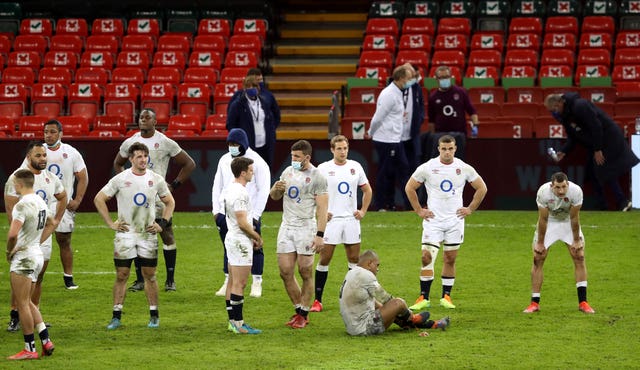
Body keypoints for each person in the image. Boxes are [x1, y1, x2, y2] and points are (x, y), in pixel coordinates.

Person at [95, 142, 175, 330]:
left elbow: (170, 202)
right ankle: (116, 316)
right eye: (139, 156)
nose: (143, 160)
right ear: (131, 159)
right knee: (122, 275)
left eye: (145, 156)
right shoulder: (120, 179)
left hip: (147, 235)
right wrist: (110, 223)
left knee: (150, 275)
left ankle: (154, 315)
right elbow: (99, 198)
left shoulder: (156, 179)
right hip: (125, 234)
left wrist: (162, 223)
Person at [113, 108, 195, 292]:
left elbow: (189, 163)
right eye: (141, 117)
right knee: (138, 235)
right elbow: (117, 163)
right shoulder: (131, 141)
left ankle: (170, 280)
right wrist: (124, 183)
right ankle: (140, 280)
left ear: (155, 121)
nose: (143, 119)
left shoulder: (164, 142)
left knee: (166, 234)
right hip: (135, 198)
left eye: (147, 117)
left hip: (157, 199)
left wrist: (173, 185)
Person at [405, 135, 487, 311]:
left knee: (450, 258)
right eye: (444, 149)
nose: (447, 152)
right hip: (433, 221)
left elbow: (482, 188)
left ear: (455, 149)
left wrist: (470, 208)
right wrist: (419, 210)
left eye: (450, 149)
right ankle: (423, 297)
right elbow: (409, 187)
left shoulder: (463, 168)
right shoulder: (428, 167)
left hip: (454, 221)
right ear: (438, 149)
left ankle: (446, 296)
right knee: (426, 257)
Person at [4, 142, 67, 333]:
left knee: (38, 277)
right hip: (24, 238)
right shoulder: (18, 178)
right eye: (38, 155)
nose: (42, 159)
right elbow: (10, 208)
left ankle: (35, 315)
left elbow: (63, 197)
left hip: (42, 237)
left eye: (44, 155)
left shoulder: (51, 178)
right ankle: (15, 316)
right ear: (29, 156)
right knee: (21, 277)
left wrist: (55, 220)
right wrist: (22, 237)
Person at [544, 93, 639, 211]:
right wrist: (564, 151)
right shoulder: (565, 116)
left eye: (555, 109)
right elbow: (573, 137)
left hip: (607, 138)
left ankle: (623, 201)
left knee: (604, 167)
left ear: (560, 103)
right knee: (592, 172)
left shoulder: (580, 106)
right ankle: (602, 204)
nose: (555, 113)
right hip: (594, 143)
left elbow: (596, 126)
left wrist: (598, 149)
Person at [269, 140, 328, 329]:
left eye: (297, 157)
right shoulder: (288, 172)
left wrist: (320, 235)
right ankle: (299, 310)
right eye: (292, 156)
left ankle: (303, 312)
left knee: (305, 271)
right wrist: (275, 190)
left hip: (305, 227)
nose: (293, 159)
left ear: (307, 158)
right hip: (287, 227)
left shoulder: (317, 176)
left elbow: (322, 208)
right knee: (285, 271)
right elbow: (275, 197)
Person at [311, 135, 373, 312]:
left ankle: (350, 298)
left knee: (354, 259)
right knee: (325, 258)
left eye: (345, 148)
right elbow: (313, 193)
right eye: (339, 148)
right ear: (332, 150)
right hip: (332, 221)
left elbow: (367, 190)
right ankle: (318, 300)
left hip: (351, 220)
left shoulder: (355, 167)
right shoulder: (323, 168)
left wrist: (362, 211)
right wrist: (321, 212)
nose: (343, 151)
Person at [523, 172, 595, 314]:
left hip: (568, 222)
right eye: (557, 187)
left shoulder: (576, 192)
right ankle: (534, 303)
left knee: (579, 256)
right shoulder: (543, 193)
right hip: (550, 222)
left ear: (567, 184)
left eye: (563, 187)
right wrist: (540, 243)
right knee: (538, 258)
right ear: (552, 186)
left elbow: (574, 217)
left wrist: (576, 240)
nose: (561, 191)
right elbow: (543, 219)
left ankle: (583, 302)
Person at [212, 128, 270, 298]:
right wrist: (216, 211)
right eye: (230, 144)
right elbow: (217, 185)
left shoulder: (257, 162)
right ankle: (227, 279)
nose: (232, 147)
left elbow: (263, 189)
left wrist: (256, 215)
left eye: (235, 144)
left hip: (247, 213)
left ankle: (257, 281)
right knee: (228, 246)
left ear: (243, 144)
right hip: (226, 213)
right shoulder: (224, 160)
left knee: (255, 246)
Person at [5, 169, 57, 360]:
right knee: (28, 301)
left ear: (19, 184)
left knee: (22, 303)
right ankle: (46, 340)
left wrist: (9, 251)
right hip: (37, 254)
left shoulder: (21, 205)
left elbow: (12, 234)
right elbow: (53, 222)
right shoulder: (40, 201)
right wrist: (38, 241)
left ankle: (29, 349)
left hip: (25, 257)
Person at [339, 250, 450, 336]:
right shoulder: (365, 275)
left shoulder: (352, 273)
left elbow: (377, 303)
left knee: (381, 306)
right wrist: (407, 312)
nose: (377, 269)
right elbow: (386, 298)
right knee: (398, 303)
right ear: (369, 263)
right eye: (377, 265)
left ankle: (427, 324)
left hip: (352, 327)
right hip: (364, 328)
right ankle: (413, 318)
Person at [42, 119, 89, 290]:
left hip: (63, 204)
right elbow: (24, 175)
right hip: (41, 204)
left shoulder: (71, 152)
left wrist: (77, 199)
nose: (48, 135)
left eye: (53, 131)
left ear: (61, 133)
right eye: (46, 131)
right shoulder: (37, 152)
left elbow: (83, 177)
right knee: (38, 241)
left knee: (64, 240)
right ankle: (34, 276)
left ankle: (68, 277)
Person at [221, 157, 264, 334]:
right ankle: (239, 324)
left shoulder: (230, 188)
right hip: (240, 241)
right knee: (240, 283)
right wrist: (256, 236)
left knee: (232, 281)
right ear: (243, 172)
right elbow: (242, 222)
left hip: (232, 238)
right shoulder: (240, 193)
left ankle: (232, 322)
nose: (253, 173)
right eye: (251, 170)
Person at [367, 65, 414, 211]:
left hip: (394, 139)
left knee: (400, 171)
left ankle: (395, 204)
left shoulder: (397, 92)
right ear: (400, 78)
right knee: (385, 173)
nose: (410, 81)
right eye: (408, 78)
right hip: (386, 140)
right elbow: (378, 117)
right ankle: (382, 205)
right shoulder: (389, 94)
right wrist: (370, 132)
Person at [426, 65, 479, 160]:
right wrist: (433, 136)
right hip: (440, 136)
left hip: (459, 135)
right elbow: (431, 121)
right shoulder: (433, 97)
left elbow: (472, 111)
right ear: (437, 79)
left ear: (450, 77)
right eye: (441, 78)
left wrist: (475, 125)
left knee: (458, 163)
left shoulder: (461, 92)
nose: (444, 79)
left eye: (446, 77)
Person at [226, 74, 279, 167]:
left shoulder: (264, 102)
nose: (251, 88)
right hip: (247, 146)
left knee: (264, 171)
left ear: (258, 87)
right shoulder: (238, 104)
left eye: (254, 86)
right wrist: (239, 141)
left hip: (265, 146)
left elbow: (273, 119)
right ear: (244, 88)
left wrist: (271, 133)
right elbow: (230, 124)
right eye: (248, 86)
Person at [402, 63, 426, 172]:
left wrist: (419, 119)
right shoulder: (394, 89)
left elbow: (421, 105)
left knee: (416, 167)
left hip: (413, 134)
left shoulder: (417, 88)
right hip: (398, 136)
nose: (414, 78)